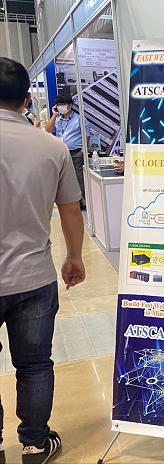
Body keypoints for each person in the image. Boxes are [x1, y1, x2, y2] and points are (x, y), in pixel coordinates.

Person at [0, 57, 86, 464]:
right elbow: (70, 210)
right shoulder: (52, 147)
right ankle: (34, 444)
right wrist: (74, 258)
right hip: (34, 276)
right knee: (34, 365)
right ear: (25, 99)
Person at [44, 94, 91, 211]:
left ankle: (83, 202)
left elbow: (87, 136)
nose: (61, 107)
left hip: (76, 153)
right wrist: (54, 115)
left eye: (63, 104)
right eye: (59, 104)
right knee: (63, 179)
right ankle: (68, 201)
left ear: (70, 105)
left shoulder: (79, 119)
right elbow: (47, 130)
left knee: (78, 178)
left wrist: (82, 151)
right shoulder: (57, 119)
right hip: (61, 153)